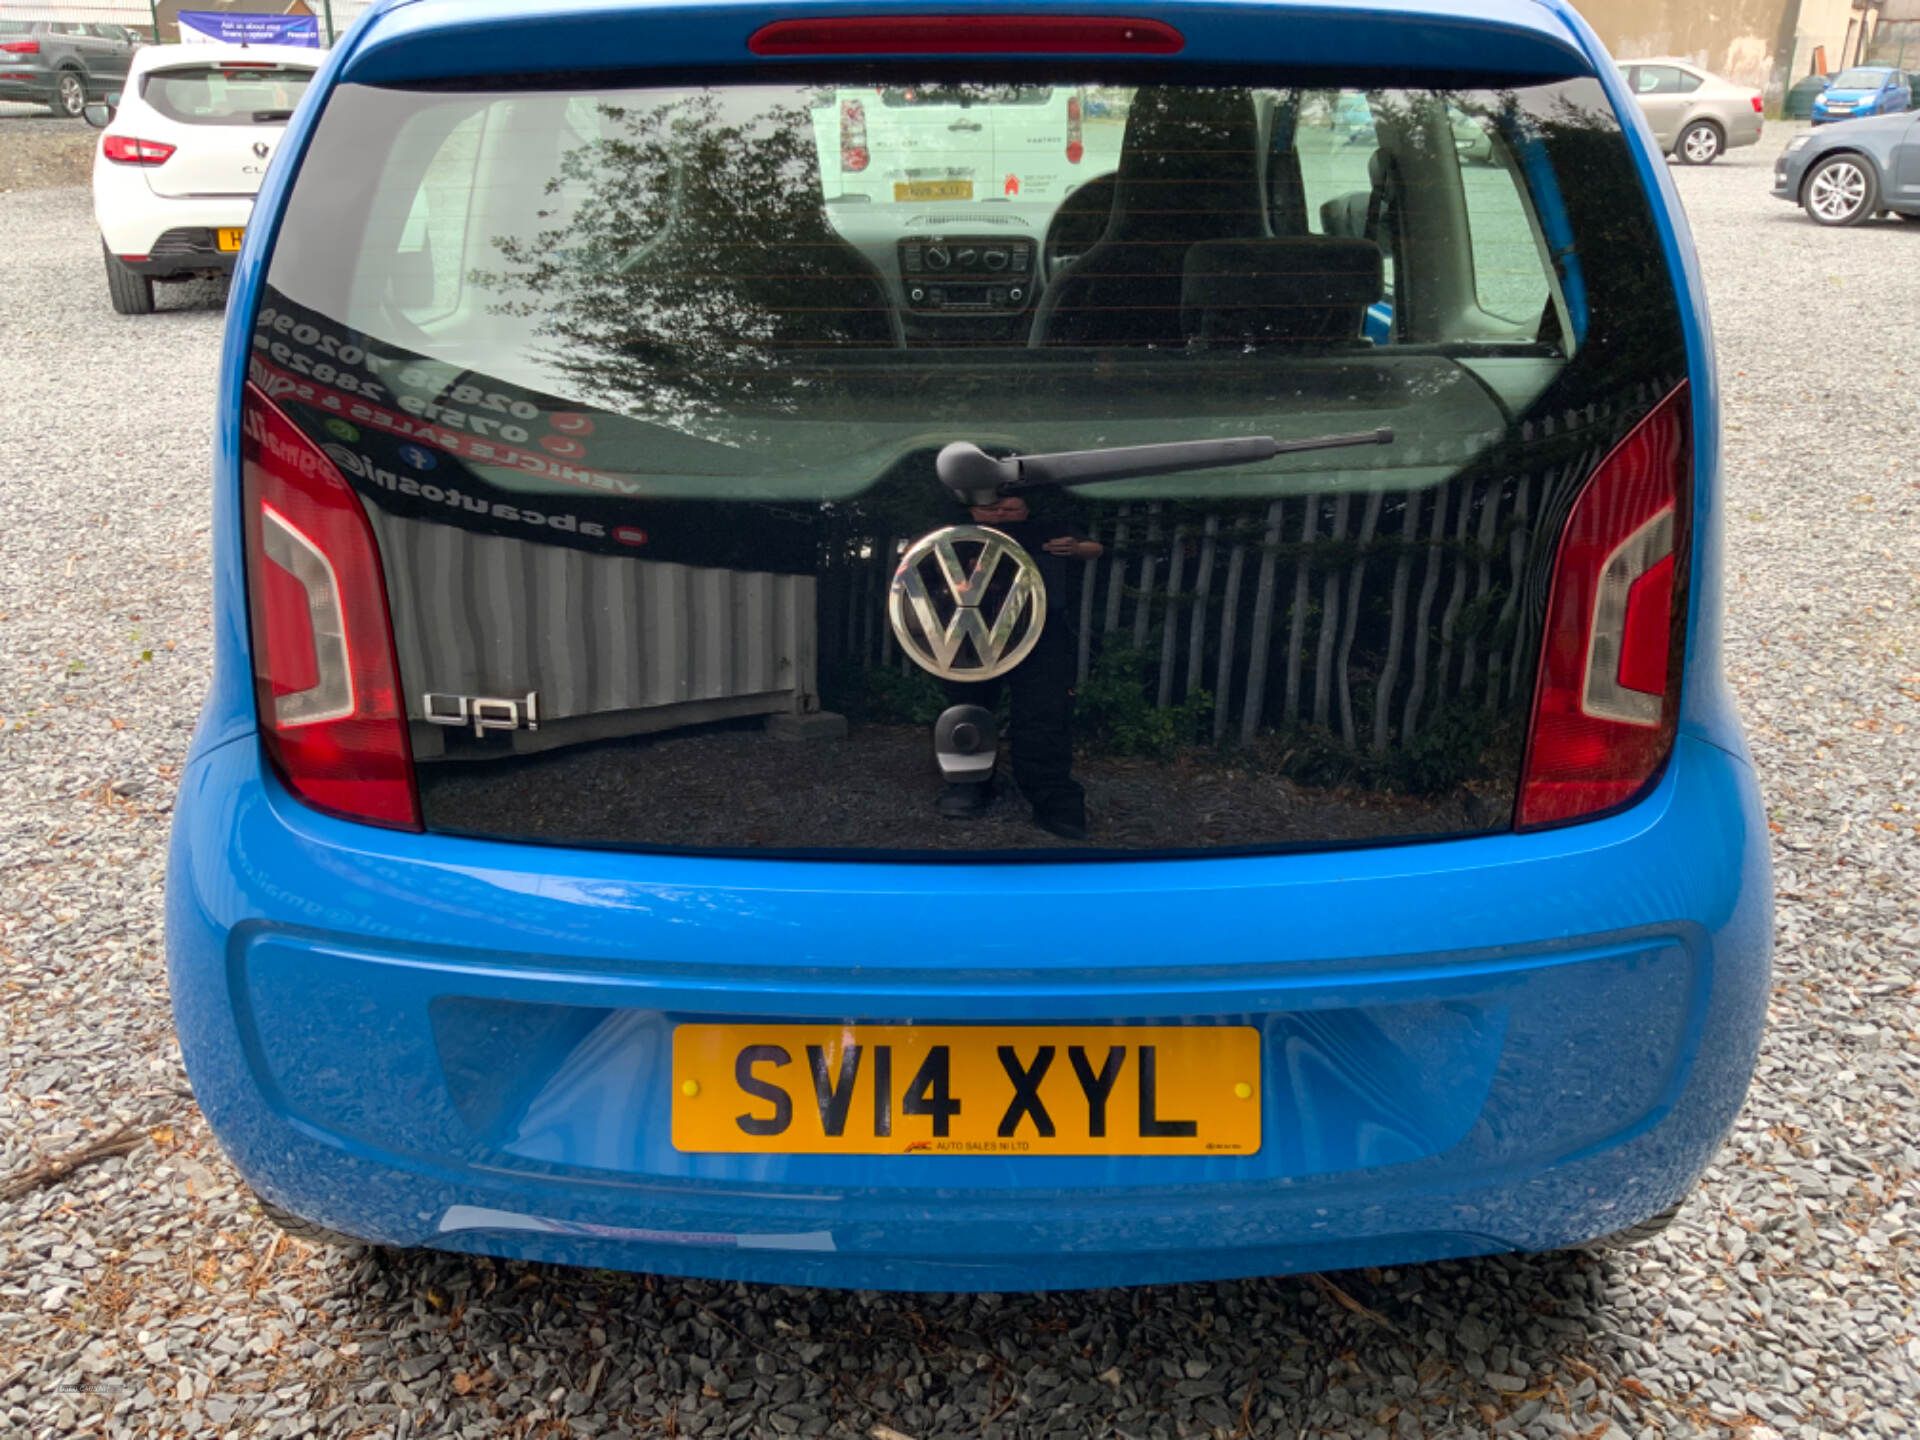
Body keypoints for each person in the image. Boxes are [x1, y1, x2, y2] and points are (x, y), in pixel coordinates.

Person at [941, 492, 1102, 841]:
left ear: (1027, 507)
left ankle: (1053, 800)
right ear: (972, 508)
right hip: (972, 634)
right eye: (990, 506)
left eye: (1010, 506)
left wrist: (1073, 548)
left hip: (1042, 633)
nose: (1000, 511)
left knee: (1044, 714)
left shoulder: (1047, 528)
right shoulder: (956, 533)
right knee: (969, 711)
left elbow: (1094, 548)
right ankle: (968, 785)